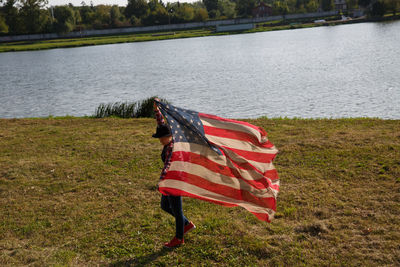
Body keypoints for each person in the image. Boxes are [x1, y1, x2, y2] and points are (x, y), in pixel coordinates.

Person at [152, 100, 196, 248]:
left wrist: (161, 181)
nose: (159, 140)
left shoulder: (171, 148)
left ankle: (179, 238)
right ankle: (186, 224)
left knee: (177, 210)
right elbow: (161, 124)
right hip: (169, 180)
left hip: (175, 180)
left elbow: (169, 166)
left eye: (160, 138)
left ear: (167, 137)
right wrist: (157, 110)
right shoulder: (168, 140)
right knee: (165, 205)